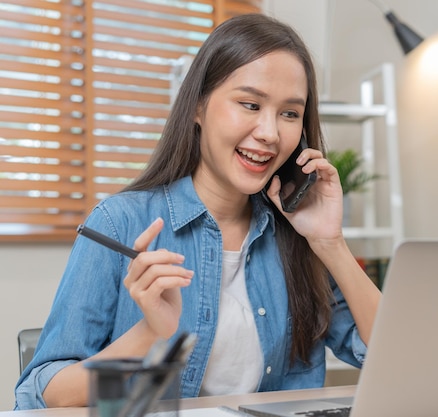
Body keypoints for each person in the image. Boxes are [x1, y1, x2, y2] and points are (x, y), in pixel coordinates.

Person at [14, 13, 381, 409]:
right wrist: (150, 334)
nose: (270, 133)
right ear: (198, 107)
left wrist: (331, 243)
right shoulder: (118, 223)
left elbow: (392, 358)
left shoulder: (299, 238)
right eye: (250, 104)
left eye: (290, 113)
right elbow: (43, 394)